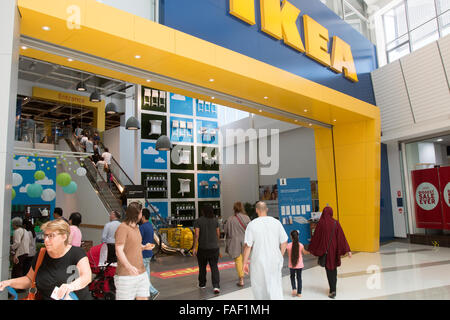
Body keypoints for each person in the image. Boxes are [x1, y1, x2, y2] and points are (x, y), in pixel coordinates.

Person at [0, 219, 92, 300]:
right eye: (45, 235)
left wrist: (71, 286)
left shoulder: (76, 253)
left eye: (51, 236)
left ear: (64, 237)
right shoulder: (41, 254)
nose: (46, 240)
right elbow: (29, 279)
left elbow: (86, 277)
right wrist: (8, 282)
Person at [242, 201, 288, 300]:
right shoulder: (276, 222)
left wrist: (244, 263)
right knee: (275, 286)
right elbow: (284, 241)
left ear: (256, 210)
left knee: (259, 287)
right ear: (267, 209)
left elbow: (248, 246)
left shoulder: (252, 224)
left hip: (258, 261)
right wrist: (280, 255)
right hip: (274, 260)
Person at [308, 206, 352, 299]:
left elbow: (316, 238)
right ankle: (333, 289)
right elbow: (341, 237)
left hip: (326, 252)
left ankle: (332, 290)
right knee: (334, 269)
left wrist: (311, 248)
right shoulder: (336, 223)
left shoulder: (321, 223)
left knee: (329, 270)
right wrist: (348, 250)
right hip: (334, 251)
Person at [114, 203, 154, 300]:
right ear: (137, 214)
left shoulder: (136, 228)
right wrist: (129, 266)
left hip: (141, 272)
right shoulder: (123, 228)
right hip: (126, 275)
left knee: (144, 298)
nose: (141, 214)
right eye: (140, 212)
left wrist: (144, 247)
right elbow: (118, 250)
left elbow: (134, 245)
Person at [193, 205, 221, 294]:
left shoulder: (198, 221)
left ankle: (202, 284)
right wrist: (218, 245)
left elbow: (196, 235)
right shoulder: (215, 220)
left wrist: (194, 247)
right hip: (214, 248)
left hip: (202, 248)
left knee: (202, 267)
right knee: (214, 267)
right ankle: (216, 286)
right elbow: (218, 234)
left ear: (203, 211)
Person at [224, 201, 251, 287]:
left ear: (234, 209)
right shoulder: (247, 218)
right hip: (245, 241)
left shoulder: (230, 219)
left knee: (238, 260)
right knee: (245, 259)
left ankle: (241, 279)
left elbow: (225, 231)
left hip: (234, 243)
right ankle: (246, 273)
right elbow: (251, 230)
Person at [139, 208, 159, 300]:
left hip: (143, 254)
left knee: (142, 276)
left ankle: (153, 291)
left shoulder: (142, 227)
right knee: (146, 275)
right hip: (149, 253)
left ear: (143, 216)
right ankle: (148, 293)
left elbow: (138, 240)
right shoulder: (150, 225)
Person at [285, 230, 309, 297]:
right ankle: (299, 293)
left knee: (292, 277)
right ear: (298, 236)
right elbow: (305, 253)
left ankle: (294, 289)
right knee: (299, 278)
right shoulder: (301, 245)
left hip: (291, 265)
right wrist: (310, 251)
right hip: (299, 265)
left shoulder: (288, 246)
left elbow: (287, 252)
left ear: (291, 237)